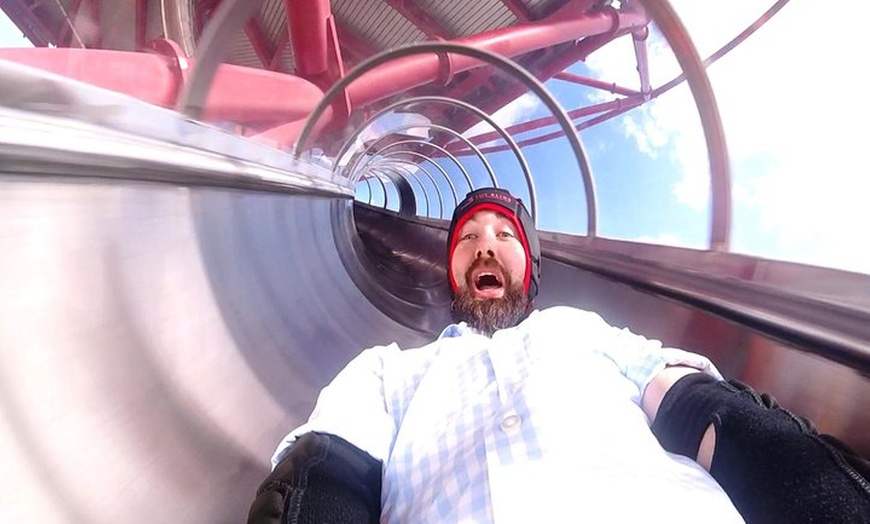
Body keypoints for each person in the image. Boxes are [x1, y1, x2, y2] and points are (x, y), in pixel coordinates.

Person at [248, 188, 870, 524]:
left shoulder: (583, 329)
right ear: (451, 271)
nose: (484, 248)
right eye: (466, 239)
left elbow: (697, 408)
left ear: (530, 268)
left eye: (502, 237)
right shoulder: (389, 370)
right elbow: (329, 472)